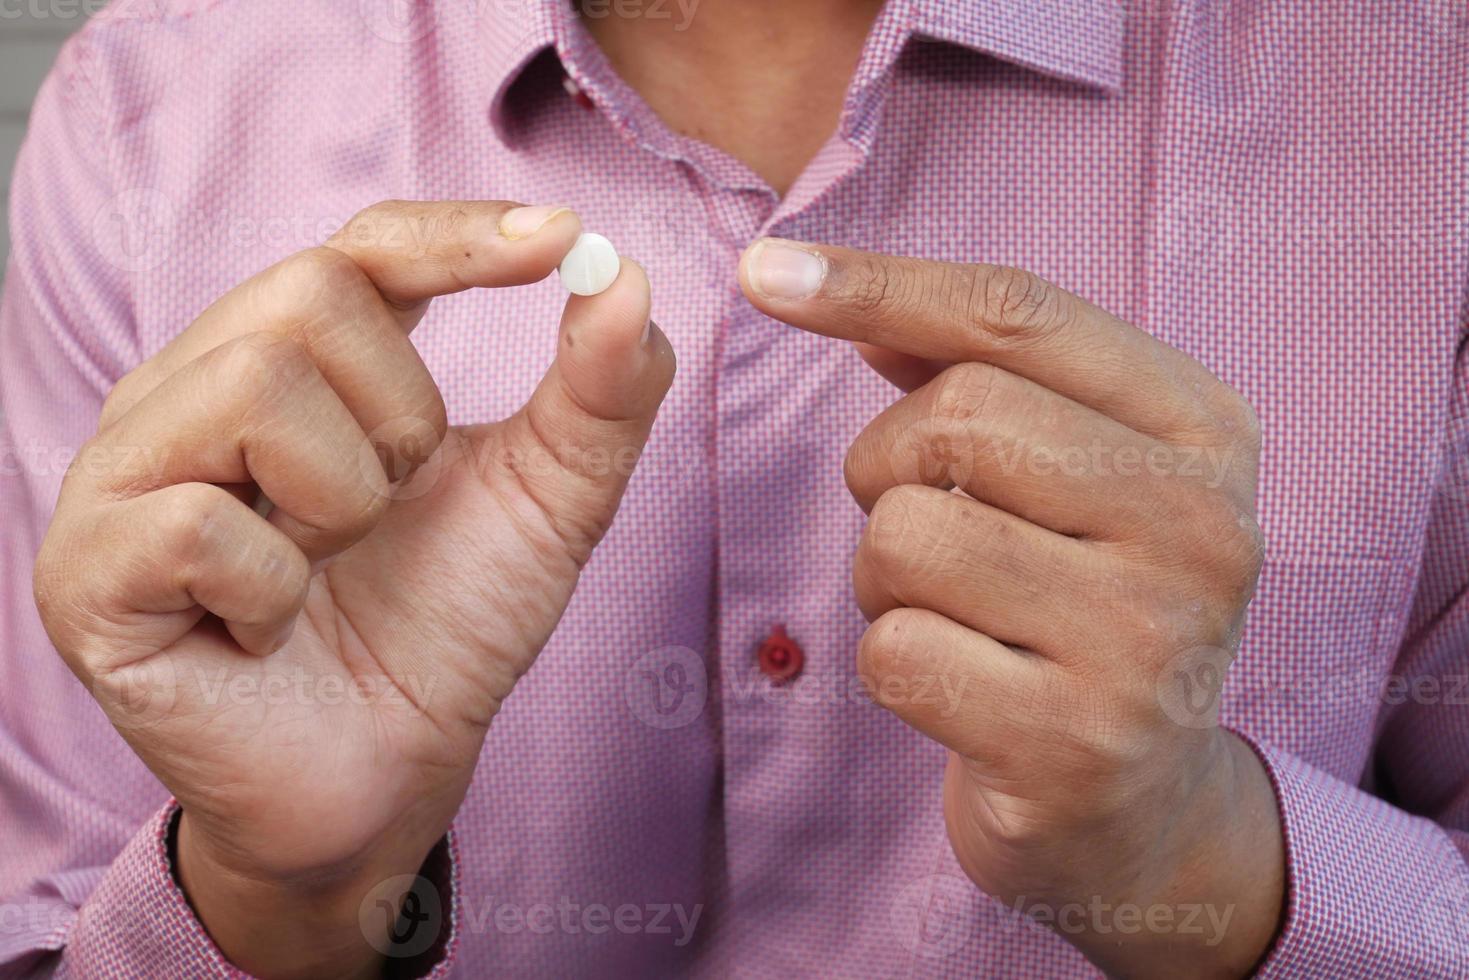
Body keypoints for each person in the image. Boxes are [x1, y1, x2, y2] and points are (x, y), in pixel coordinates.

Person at [1, 1, 1465, 976]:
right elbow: (49, 919)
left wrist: (1199, 856)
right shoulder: (157, 112)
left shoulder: (1429, 95)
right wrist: (285, 898)